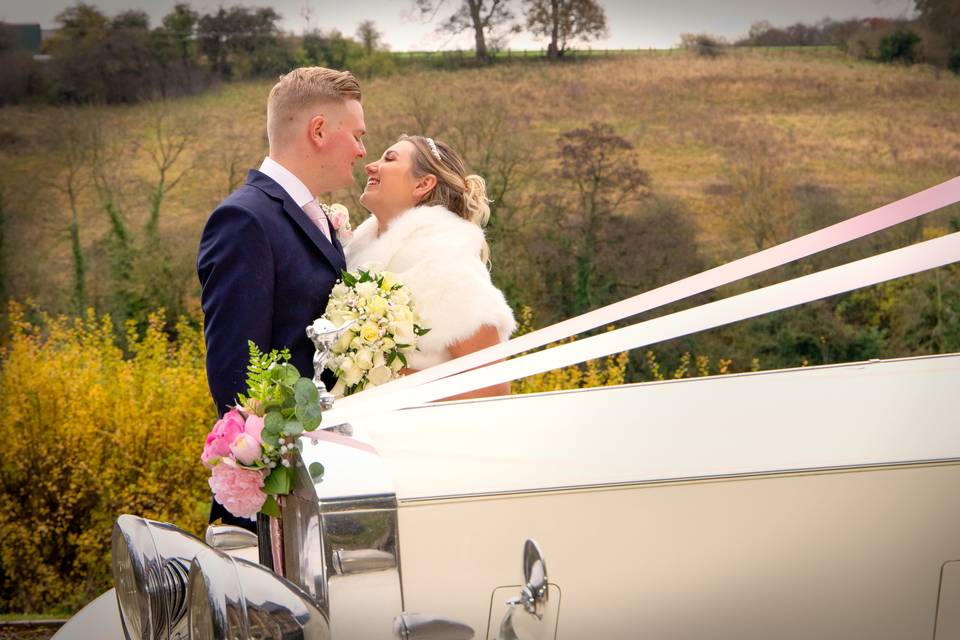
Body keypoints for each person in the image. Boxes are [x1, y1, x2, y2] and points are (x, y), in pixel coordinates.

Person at [196, 67, 366, 530]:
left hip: (317, 479)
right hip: (276, 499)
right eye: (356, 135)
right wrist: (272, 477)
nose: (362, 150)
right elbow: (236, 372)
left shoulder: (315, 218)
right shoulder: (244, 220)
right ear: (318, 131)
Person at [345, 135, 515, 399]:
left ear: (423, 184)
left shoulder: (446, 261)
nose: (370, 165)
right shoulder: (353, 257)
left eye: (389, 158)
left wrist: (377, 379)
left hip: (427, 434)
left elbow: (493, 387)